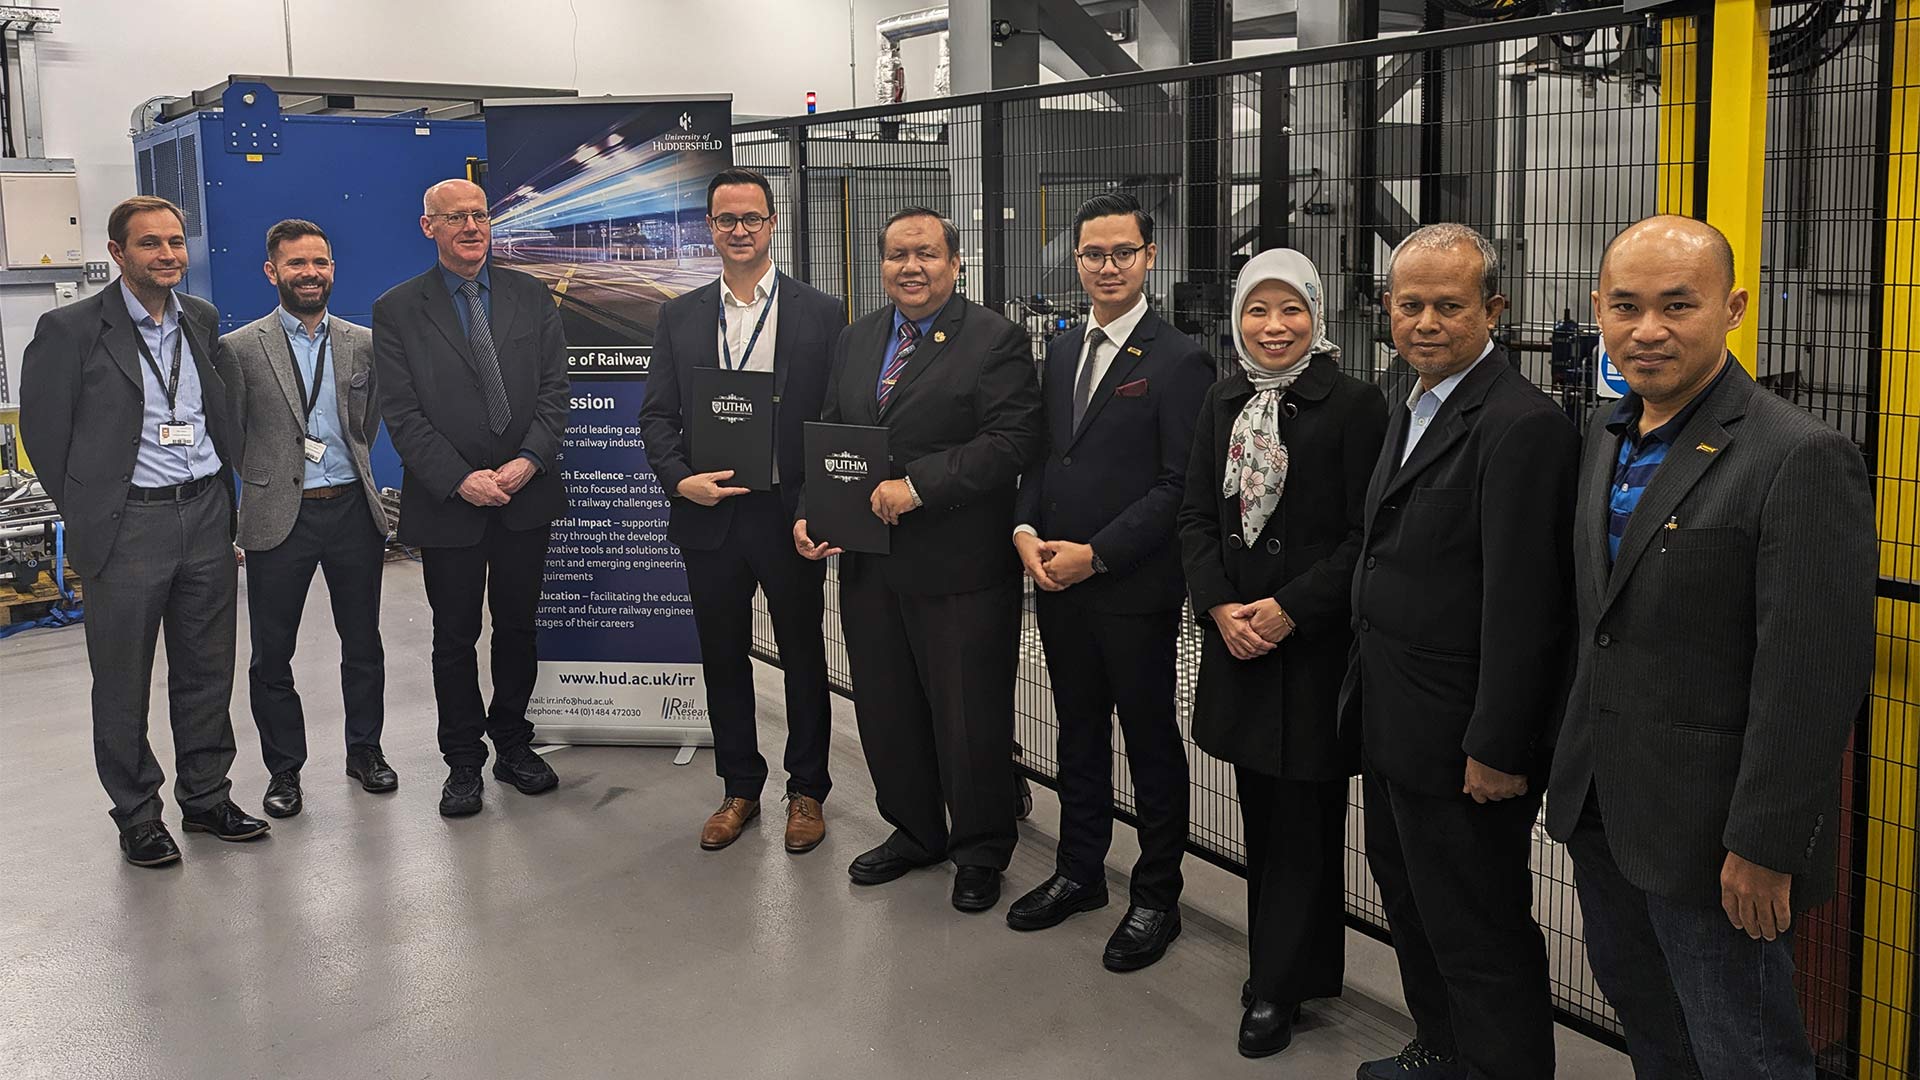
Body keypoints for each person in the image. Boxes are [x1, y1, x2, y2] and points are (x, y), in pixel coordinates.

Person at [1546, 216, 1875, 1079]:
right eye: (1626, 306)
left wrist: (1765, 843)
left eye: (1676, 305)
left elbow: (1811, 675)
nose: (1647, 329)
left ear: (1732, 309)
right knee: (1650, 1023)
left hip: (1716, 841)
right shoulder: (1609, 436)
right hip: (1604, 809)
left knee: (1746, 1051)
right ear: (1598, 312)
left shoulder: (1798, 457)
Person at [1341, 223, 1579, 1080]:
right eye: (1410, 305)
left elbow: (1529, 610)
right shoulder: (1406, 398)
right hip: (1395, 717)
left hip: (1463, 741)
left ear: (1495, 311)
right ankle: (1441, 1048)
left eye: (1450, 305)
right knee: (1412, 901)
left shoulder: (1520, 427)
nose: (1427, 322)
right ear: (1387, 312)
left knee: (1479, 926)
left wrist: (1499, 746)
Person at [793, 206, 1043, 913]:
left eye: (927, 254)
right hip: (870, 566)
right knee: (886, 707)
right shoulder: (857, 339)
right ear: (882, 264)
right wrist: (811, 511)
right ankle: (914, 831)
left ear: (955, 263)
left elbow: (1011, 442)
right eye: (898, 254)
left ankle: (981, 849)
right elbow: (832, 433)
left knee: (969, 718)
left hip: (959, 569)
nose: (912, 266)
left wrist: (920, 486)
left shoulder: (995, 340)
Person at [18, 195, 270, 865]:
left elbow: (220, 408)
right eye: (151, 244)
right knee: (123, 680)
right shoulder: (69, 330)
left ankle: (207, 796)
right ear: (117, 254)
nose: (168, 255)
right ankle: (136, 813)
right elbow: (44, 435)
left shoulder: (201, 320)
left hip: (206, 516)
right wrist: (94, 510)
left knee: (207, 669)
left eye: (175, 242)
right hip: (129, 521)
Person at [1180, 248, 1387, 1057]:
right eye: (1258, 311)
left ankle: (1279, 986)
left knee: (1307, 821)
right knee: (1261, 818)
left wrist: (1289, 608)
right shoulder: (1222, 399)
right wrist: (1218, 604)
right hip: (1239, 642)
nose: (1274, 327)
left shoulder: (1356, 405)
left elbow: (1364, 535)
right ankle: (1282, 962)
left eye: (1290, 310)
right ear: (1237, 317)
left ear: (1317, 313)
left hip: (1311, 649)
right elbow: (1197, 514)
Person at [1005, 193, 1211, 971]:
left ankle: (1157, 895)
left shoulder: (1179, 359)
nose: (1107, 267)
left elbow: (1177, 486)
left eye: (1123, 252)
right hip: (1059, 586)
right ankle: (1079, 870)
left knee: (1152, 743)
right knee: (1078, 730)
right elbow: (1043, 458)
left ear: (1149, 257)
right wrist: (1024, 531)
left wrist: (1095, 553)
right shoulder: (1061, 349)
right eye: (1093, 255)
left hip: (1131, 590)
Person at [638, 168, 842, 853]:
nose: (740, 230)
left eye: (752, 217)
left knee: (804, 654)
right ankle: (739, 788)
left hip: (788, 516)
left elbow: (832, 422)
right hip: (710, 513)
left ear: (773, 221)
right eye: (726, 220)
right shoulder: (680, 315)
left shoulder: (821, 313)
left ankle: (807, 791)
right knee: (722, 656)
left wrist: (816, 509)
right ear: (709, 229)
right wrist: (679, 481)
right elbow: (657, 418)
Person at [373, 178, 571, 817]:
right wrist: (460, 478)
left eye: (480, 215)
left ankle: (513, 744)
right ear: (427, 226)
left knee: (517, 627)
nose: (471, 227)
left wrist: (528, 462)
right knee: (454, 636)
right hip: (448, 502)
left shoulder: (530, 296)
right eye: (455, 217)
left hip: (525, 495)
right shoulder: (398, 309)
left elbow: (553, 392)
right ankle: (463, 761)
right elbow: (401, 414)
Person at [224, 219, 396, 819]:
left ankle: (365, 751)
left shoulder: (362, 342)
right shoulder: (241, 348)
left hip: (351, 509)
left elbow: (365, 424)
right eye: (296, 264)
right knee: (273, 655)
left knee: (363, 644)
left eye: (319, 262)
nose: (310, 273)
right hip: (278, 518)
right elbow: (232, 433)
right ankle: (285, 770)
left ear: (332, 269)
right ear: (272, 272)